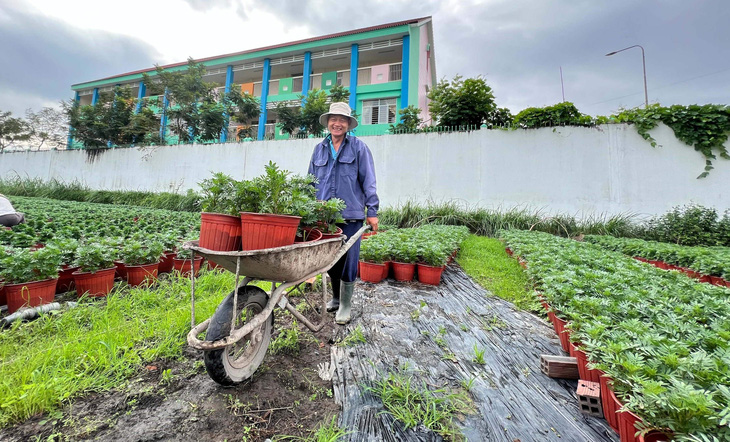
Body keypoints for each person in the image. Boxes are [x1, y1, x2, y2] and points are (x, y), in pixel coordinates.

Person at [308, 102, 379, 325]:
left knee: (349, 259)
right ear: (328, 122)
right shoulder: (319, 149)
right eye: (333, 119)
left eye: (342, 120)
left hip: (351, 214)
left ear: (348, 124)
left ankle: (346, 305)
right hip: (324, 215)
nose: (337, 124)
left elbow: (369, 181)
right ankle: (337, 298)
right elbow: (310, 181)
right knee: (331, 259)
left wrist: (372, 210)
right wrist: (307, 207)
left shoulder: (359, 148)